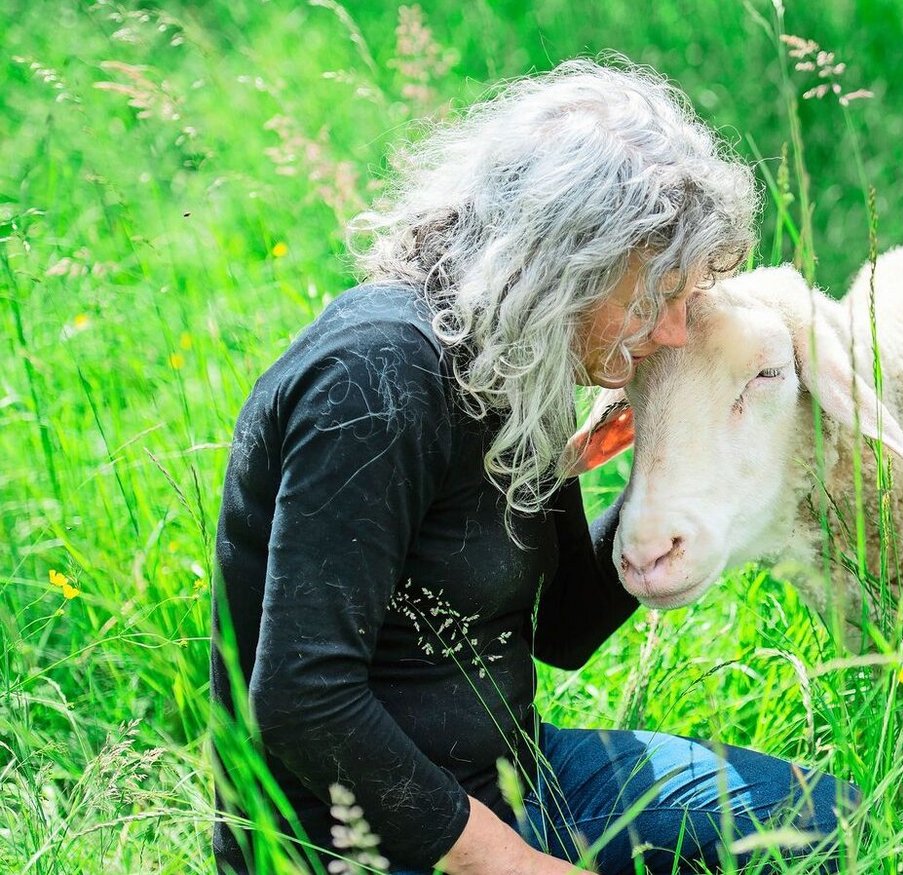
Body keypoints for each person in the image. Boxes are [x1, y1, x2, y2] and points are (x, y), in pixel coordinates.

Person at [211, 57, 859, 875]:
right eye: (652, 298)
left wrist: (667, 469)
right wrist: (511, 864)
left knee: (828, 824)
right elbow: (302, 700)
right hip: (352, 842)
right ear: (564, 264)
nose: (667, 333)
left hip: (520, 782)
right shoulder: (374, 379)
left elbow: (561, 629)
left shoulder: (531, 361)